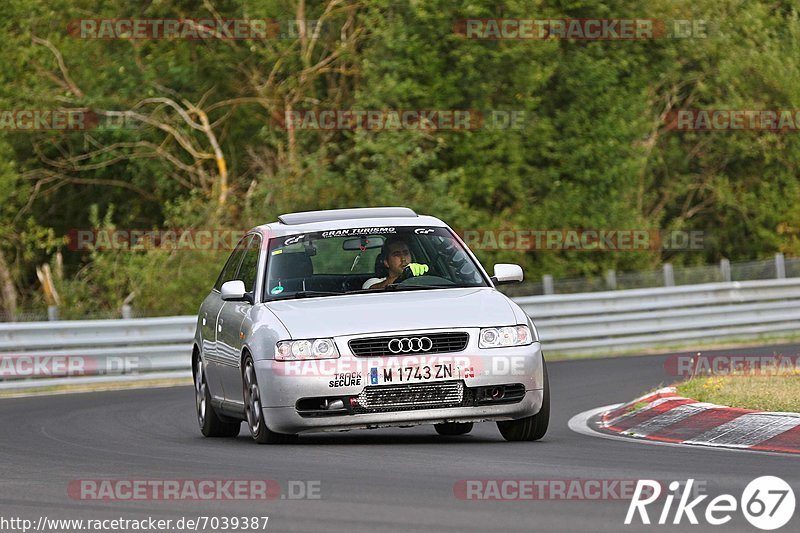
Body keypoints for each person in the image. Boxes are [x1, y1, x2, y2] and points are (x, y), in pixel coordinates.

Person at [362, 235, 429, 289]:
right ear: (386, 262)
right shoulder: (373, 282)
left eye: (406, 253)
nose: (403, 259)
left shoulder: (422, 280)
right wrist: (403, 277)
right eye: (397, 254)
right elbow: (372, 289)